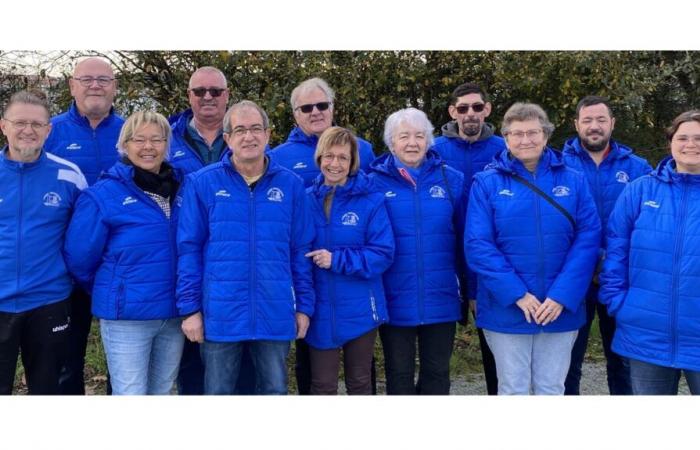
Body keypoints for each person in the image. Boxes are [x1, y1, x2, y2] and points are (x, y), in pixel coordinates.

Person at [176, 100, 315, 395]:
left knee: (274, 391)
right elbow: (189, 249)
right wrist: (190, 309)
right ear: (227, 138)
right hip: (221, 312)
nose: (248, 137)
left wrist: (303, 306)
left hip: (274, 310)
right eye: (240, 130)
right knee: (218, 393)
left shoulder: (291, 186)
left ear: (268, 134)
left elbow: (301, 251)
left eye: (255, 129)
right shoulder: (202, 183)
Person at [466, 102, 600, 395]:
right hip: (508, 308)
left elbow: (588, 238)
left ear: (546, 135)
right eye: (517, 134)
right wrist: (517, 294)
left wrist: (561, 295)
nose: (525, 140)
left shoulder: (574, 179)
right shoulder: (486, 183)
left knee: (551, 388)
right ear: (505, 138)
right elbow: (478, 244)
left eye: (532, 132)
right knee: (512, 388)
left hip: (558, 309)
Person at [63, 111, 184, 395]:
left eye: (157, 139)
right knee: (130, 394)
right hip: (128, 317)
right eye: (139, 139)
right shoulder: (102, 195)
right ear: (124, 145)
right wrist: (114, 287)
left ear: (167, 144)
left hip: (174, 314)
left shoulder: (184, 189)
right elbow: (79, 258)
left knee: (163, 392)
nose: (148, 147)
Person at [268, 77, 376, 395]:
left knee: (361, 372)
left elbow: (373, 204)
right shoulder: (280, 156)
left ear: (332, 107)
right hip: (307, 277)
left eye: (322, 105)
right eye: (306, 107)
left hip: (353, 277)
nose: (315, 112)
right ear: (295, 113)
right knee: (313, 369)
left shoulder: (362, 149)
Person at [600, 110, 700, 395]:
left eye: (698, 138)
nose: (690, 144)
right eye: (683, 137)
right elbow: (615, 252)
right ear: (671, 142)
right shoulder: (641, 190)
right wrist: (620, 304)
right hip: (645, 334)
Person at [368, 107, 467, 395]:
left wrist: (469, 291)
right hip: (394, 296)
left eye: (419, 135)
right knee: (399, 375)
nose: (412, 143)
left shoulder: (452, 179)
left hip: (442, 296)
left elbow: (466, 239)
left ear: (429, 140)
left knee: (437, 373)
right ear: (391, 142)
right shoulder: (372, 182)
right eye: (404, 136)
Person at [43, 56, 125, 395]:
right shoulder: (52, 131)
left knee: (123, 358)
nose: (95, 85)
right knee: (67, 358)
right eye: (87, 79)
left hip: (121, 262)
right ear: (72, 85)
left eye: (104, 80)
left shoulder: (131, 131)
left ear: (115, 87)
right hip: (67, 263)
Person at [561, 96, 652, 395]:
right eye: (587, 120)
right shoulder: (558, 166)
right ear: (576, 125)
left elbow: (646, 224)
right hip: (575, 280)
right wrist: (592, 262)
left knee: (623, 364)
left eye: (601, 120)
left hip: (622, 279)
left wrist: (609, 262)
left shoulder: (638, 168)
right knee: (567, 366)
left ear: (613, 123)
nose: (594, 126)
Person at [0, 90, 87, 394]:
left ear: (49, 130)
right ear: (3, 126)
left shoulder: (69, 175)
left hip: (50, 301)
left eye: (37, 124)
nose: (28, 130)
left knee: (50, 393)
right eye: (20, 122)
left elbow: (84, 237)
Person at [305, 127, 394, 395]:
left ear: (352, 160)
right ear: (320, 158)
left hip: (360, 307)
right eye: (329, 156)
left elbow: (382, 254)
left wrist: (337, 260)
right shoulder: (304, 199)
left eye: (343, 157)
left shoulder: (371, 201)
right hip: (319, 308)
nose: (335, 164)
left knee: (360, 382)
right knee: (322, 385)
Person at [431, 82, 506, 395]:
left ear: (487, 109)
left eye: (477, 107)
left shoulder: (504, 148)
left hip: (489, 254)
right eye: (463, 108)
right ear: (452, 112)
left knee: (497, 348)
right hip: (445, 256)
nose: (470, 114)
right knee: (438, 351)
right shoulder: (435, 149)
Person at [168, 66, 231, 395]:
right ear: (189, 96)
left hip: (232, 265)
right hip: (184, 261)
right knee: (190, 366)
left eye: (216, 91)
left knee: (236, 368)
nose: (208, 97)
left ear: (227, 96)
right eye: (200, 91)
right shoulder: (166, 140)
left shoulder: (247, 137)